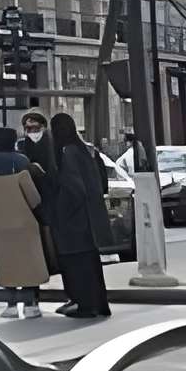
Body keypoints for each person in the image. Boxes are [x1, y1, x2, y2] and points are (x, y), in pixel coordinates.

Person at [42, 110, 112, 318]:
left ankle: (85, 306)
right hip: (89, 219)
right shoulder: (85, 151)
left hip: (74, 221)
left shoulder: (67, 152)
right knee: (90, 264)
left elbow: (73, 188)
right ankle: (98, 304)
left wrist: (58, 212)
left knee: (76, 264)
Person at [0, 127, 50, 320]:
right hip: (25, 222)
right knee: (29, 265)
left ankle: (10, 305)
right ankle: (30, 305)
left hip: (0, 224)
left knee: (7, 264)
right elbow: (33, 197)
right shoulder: (21, 161)